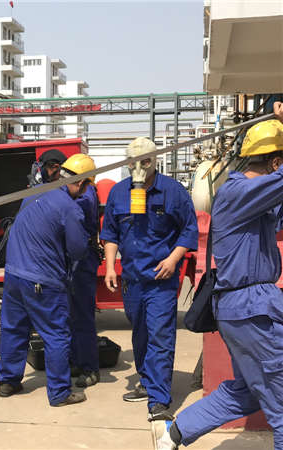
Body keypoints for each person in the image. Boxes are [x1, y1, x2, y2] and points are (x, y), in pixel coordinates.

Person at [153, 120, 283, 450]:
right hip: (251, 310)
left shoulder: (253, 199)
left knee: (247, 391)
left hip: (248, 309)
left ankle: (173, 434)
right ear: (275, 163)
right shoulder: (237, 193)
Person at [100, 137, 198, 421]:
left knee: (160, 337)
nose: (139, 168)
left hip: (160, 280)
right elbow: (111, 233)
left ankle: (159, 400)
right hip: (132, 279)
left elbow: (189, 229)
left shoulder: (173, 192)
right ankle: (147, 381)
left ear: (155, 160)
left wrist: (173, 259)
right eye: (133, 162)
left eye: (144, 162)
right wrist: (110, 267)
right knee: (141, 334)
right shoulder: (119, 193)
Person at [0, 153, 94, 407]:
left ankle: (8, 381)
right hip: (42, 280)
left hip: (14, 273)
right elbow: (77, 250)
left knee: (14, 328)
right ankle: (60, 393)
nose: (85, 193)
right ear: (81, 182)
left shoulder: (33, 193)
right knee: (56, 334)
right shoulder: (70, 208)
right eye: (87, 187)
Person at [69, 155, 102, 388]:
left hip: (83, 260)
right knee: (71, 316)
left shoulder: (87, 194)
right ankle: (76, 361)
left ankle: (90, 369)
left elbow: (75, 209)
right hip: (73, 259)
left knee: (82, 316)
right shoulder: (79, 192)